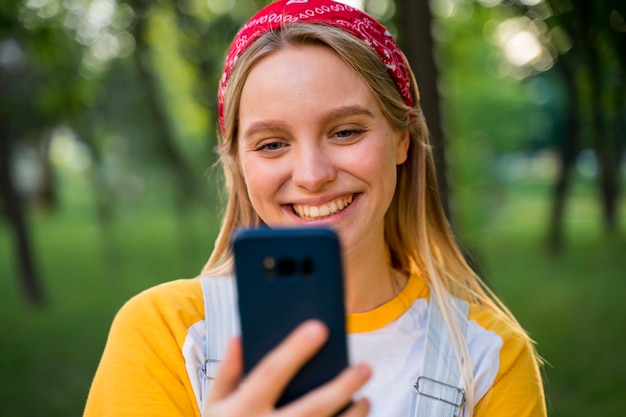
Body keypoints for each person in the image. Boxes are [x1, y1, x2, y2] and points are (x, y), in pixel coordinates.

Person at [83, 1, 547, 416]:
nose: (311, 174)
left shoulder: (489, 357)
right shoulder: (166, 334)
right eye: (272, 143)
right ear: (239, 164)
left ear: (402, 139)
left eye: (345, 132)